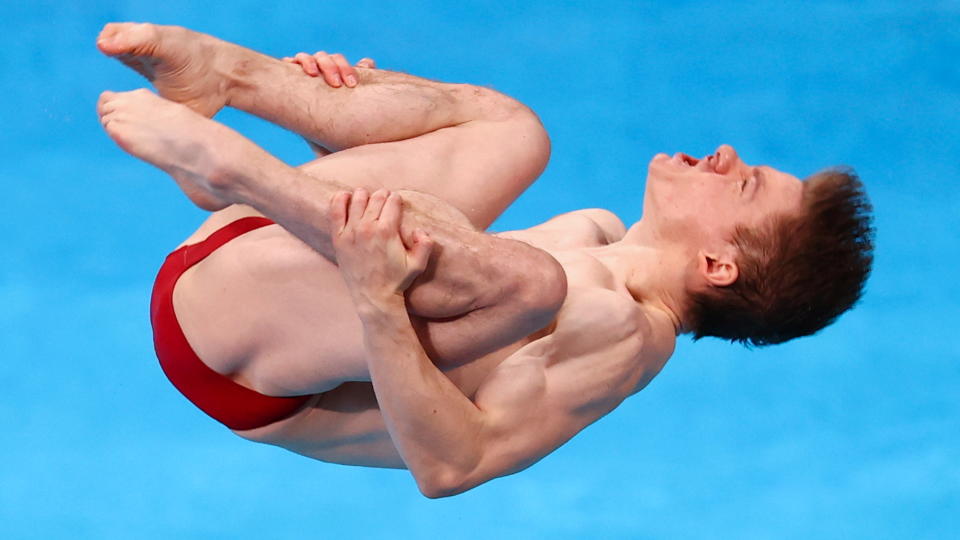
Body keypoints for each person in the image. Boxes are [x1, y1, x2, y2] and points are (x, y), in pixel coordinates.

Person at [96, 22, 874, 498]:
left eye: (743, 184)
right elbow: (407, 258)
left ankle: (232, 169)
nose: (730, 153)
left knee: (534, 285)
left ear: (718, 266)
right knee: (516, 131)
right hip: (251, 260)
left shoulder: (626, 339)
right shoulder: (596, 231)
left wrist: (375, 301)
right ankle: (232, 80)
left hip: (227, 351)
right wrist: (341, 136)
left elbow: (453, 468)